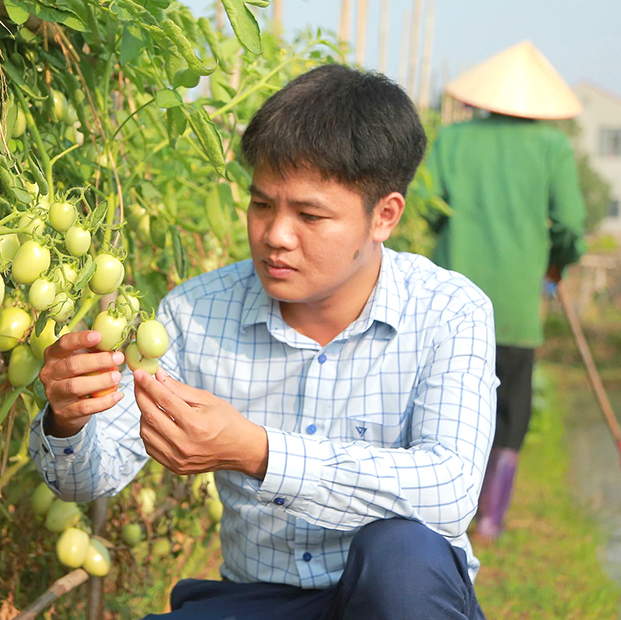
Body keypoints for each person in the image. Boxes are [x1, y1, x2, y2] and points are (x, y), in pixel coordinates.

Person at [29, 64, 497, 620]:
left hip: (396, 598)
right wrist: (69, 419)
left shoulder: (449, 311)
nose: (275, 235)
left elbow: (448, 491)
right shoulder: (197, 312)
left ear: (384, 216)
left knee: (403, 553)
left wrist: (259, 452)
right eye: (262, 204)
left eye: (309, 214)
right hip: (257, 599)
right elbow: (91, 478)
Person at [426, 40, 586, 544]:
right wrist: (557, 262)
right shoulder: (553, 147)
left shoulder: (451, 140)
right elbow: (571, 225)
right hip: (515, 305)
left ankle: (443, 509)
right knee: (510, 408)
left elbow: (428, 208)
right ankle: (490, 518)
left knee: (443, 400)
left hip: (449, 298)